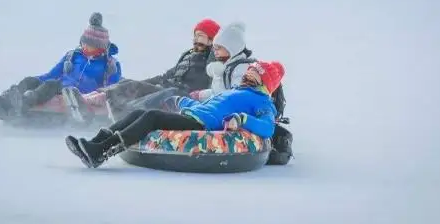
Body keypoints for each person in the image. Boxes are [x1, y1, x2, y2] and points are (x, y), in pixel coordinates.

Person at [65, 60, 285, 168]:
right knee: (142, 112)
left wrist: (242, 119)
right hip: (194, 115)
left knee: (152, 118)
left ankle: (102, 152)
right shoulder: (234, 92)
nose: (248, 76)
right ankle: (96, 142)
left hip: (203, 126)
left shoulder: (262, 101)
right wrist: (181, 101)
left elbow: (268, 126)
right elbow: (208, 105)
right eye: (249, 72)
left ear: (264, 81)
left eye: (254, 74)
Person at [0, 12, 122, 120]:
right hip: (59, 86)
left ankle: (24, 104)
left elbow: (112, 89)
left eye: (90, 46)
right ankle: (5, 102)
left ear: (100, 48)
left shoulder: (110, 65)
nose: (85, 48)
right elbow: (51, 74)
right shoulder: (73, 56)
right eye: (84, 43)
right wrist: (33, 81)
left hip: (77, 94)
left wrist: (96, 96)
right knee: (32, 80)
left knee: (51, 84)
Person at [80, 18, 221, 118]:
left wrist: (216, 45)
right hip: (169, 87)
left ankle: (125, 112)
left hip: (185, 96)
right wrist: (145, 82)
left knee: (165, 92)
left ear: (212, 40)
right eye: (195, 36)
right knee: (129, 83)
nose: (196, 40)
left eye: (201, 36)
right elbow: (166, 76)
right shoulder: (188, 56)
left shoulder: (212, 59)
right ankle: (92, 99)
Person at [188, 21, 253, 102]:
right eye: (214, 48)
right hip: (219, 105)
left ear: (232, 48)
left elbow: (236, 95)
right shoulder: (225, 66)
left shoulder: (241, 68)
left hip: (231, 109)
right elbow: (217, 92)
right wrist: (201, 95)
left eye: (218, 48)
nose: (215, 51)